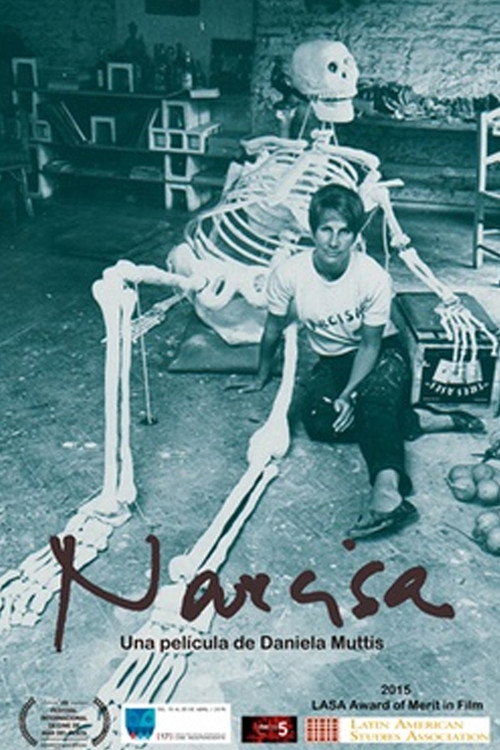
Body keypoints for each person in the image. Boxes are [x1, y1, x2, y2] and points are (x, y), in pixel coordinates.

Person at [239, 183, 485, 538]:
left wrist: (349, 394)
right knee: (320, 422)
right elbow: (272, 328)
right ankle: (417, 420)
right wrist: (261, 374)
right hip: (333, 359)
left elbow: (370, 345)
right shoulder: (290, 274)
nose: (334, 241)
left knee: (373, 402)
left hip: (383, 353)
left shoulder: (371, 276)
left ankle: (388, 494)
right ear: (313, 230)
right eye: (326, 229)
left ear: (355, 235)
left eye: (344, 232)